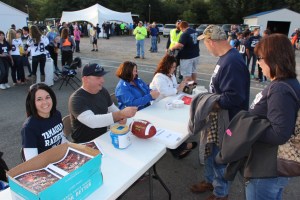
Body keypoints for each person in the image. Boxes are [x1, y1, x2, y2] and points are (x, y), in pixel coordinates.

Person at [192, 25, 250, 200]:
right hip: (219, 119)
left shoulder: (232, 62)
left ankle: (220, 194)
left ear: (211, 41)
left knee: (220, 158)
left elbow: (235, 97)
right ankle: (210, 181)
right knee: (211, 152)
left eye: (205, 42)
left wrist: (209, 103)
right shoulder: (225, 57)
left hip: (228, 121)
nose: (205, 46)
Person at [242, 34, 299, 200]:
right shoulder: (285, 82)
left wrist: (249, 128)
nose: (258, 62)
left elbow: (280, 133)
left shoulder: (280, 89)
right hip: (271, 165)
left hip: (267, 167)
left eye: (259, 58)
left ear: (273, 58)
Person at [68, 63, 137, 143]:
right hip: (85, 143)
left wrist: (122, 117)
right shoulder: (76, 99)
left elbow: (112, 108)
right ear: (85, 79)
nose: (103, 80)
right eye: (98, 77)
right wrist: (120, 114)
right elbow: (92, 121)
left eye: (102, 76)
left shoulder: (102, 91)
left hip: (103, 137)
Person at [21, 83, 67, 161]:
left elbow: (60, 138)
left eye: (47, 97)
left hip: (59, 157)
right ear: (33, 102)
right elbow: (32, 161)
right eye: (39, 99)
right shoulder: (29, 127)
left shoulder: (56, 114)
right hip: (44, 165)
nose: (45, 102)